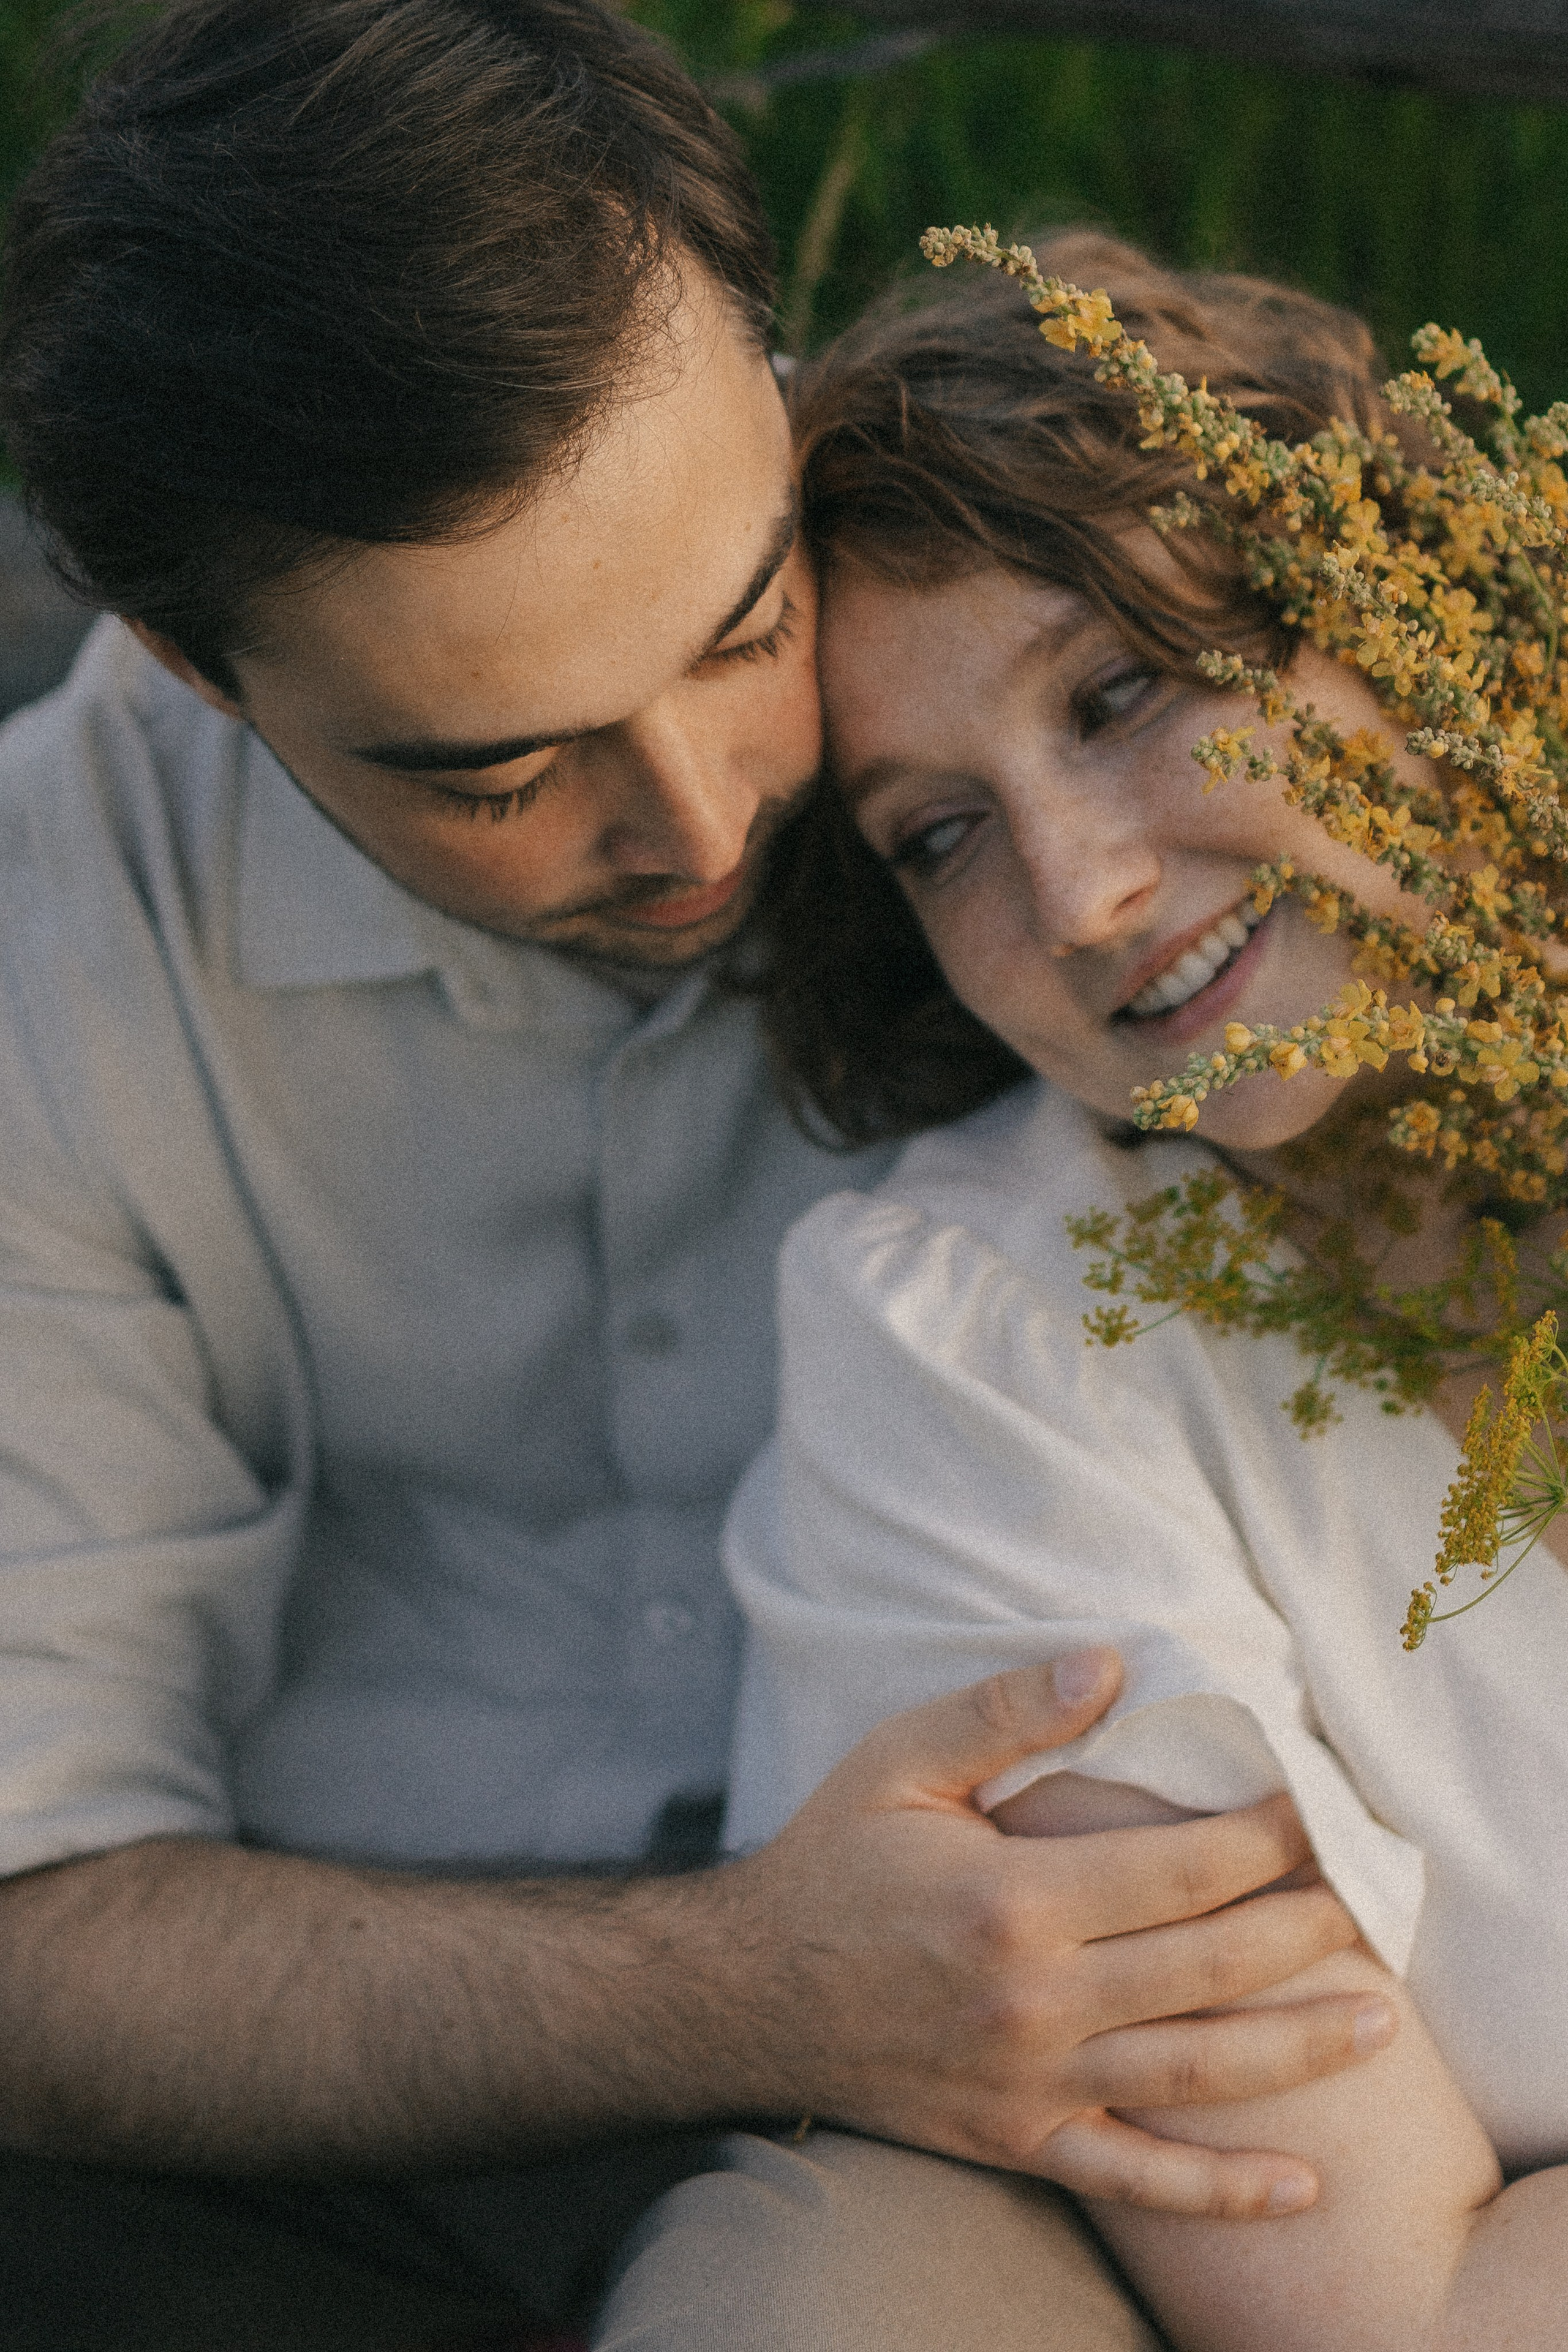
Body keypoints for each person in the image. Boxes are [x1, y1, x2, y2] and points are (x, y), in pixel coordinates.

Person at [0, 12, 1395, 2344]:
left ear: (760, 362)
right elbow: (33, 1907)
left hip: (977, 2129)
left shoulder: (1042, 744)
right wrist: (753, 1984)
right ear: (198, 669)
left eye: (746, 628)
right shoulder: (52, 942)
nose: (704, 818)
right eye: (501, 772)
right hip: (287, 2060)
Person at [724, 230, 1568, 2349]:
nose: (1083, 894)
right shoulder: (983, 1348)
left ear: (1377, 614)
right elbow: (1410, 2311)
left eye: (1119, 696)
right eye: (938, 837)